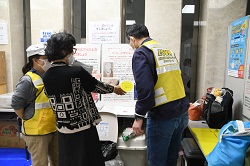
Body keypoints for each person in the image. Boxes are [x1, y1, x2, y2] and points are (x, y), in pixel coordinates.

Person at [43, 31, 126, 166]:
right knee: (88, 160)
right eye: (72, 50)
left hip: (63, 128)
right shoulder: (76, 71)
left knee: (68, 160)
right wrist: (114, 89)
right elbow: (96, 86)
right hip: (83, 128)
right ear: (64, 51)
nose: (72, 54)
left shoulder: (46, 76)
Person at [126, 24, 190, 166]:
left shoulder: (141, 53)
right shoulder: (164, 50)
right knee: (171, 159)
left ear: (132, 39)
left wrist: (139, 117)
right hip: (181, 113)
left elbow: (145, 88)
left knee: (157, 162)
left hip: (163, 116)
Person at [11, 44, 59, 166]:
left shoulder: (49, 76)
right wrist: (27, 117)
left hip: (52, 128)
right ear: (35, 60)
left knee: (58, 161)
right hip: (36, 132)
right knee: (40, 163)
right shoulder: (27, 80)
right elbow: (17, 104)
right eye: (46, 58)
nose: (49, 61)